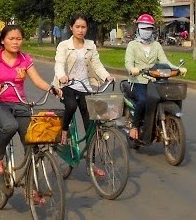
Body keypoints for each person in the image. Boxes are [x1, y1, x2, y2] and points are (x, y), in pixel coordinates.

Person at [0, 24, 61, 175]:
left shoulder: (25, 58)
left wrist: (52, 89)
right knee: (10, 126)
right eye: (11, 38)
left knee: (33, 142)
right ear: (3, 41)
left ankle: (33, 188)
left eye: (18, 39)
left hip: (20, 104)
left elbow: (37, 81)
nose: (15, 42)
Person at [53, 15, 112, 172]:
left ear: (87, 28)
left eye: (83, 27)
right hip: (67, 85)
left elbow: (97, 64)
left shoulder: (91, 45)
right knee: (71, 106)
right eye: (77, 27)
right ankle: (64, 130)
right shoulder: (64, 45)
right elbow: (59, 64)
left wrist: (106, 75)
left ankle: (91, 164)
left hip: (85, 87)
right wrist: (61, 76)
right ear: (71, 27)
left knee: (91, 125)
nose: (80, 30)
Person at [124, 13, 187, 141]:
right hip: (138, 81)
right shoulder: (132, 45)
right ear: (138, 28)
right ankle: (135, 127)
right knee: (143, 100)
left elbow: (165, 61)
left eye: (149, 28)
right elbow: (128, 62)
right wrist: (132, 69)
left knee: (167, 97)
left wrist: (177, 68)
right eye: (144, 28)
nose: (147, 31)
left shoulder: (156, 45)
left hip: (155, 81)